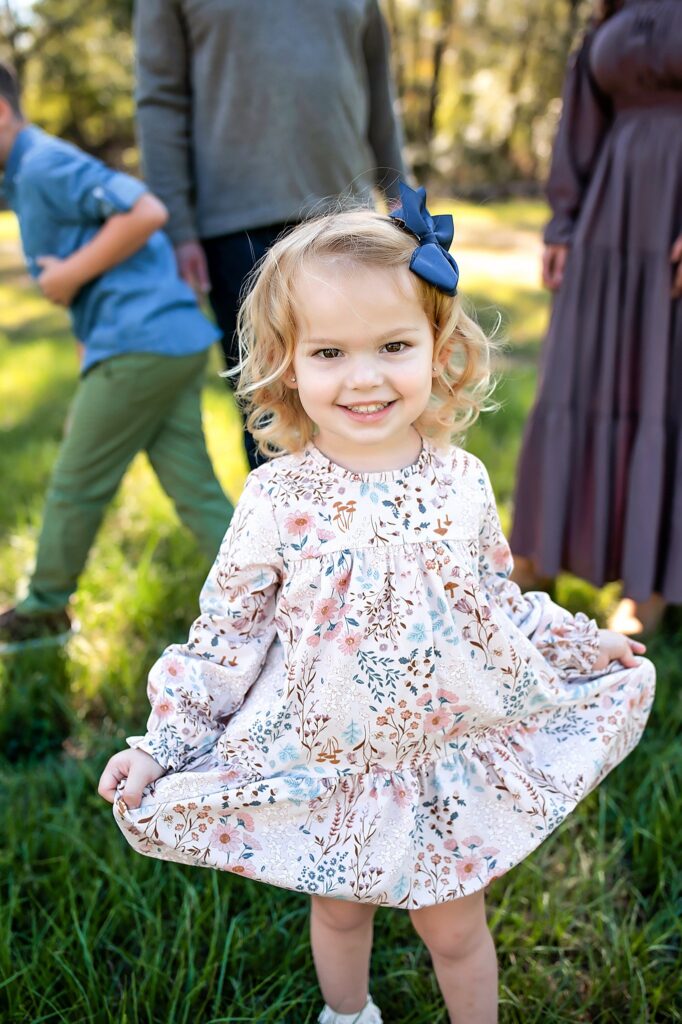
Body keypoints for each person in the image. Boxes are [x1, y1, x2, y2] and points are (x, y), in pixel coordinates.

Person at [98, 184, 655, 1024]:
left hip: (435, 751)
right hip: (323, 755)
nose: (364, 378)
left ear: (439, 347)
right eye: (328, 354)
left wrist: (579, 646)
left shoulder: (458, 480)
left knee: (456, 925)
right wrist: (164, 746)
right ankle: (347, 1013)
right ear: (288, 363)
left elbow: (494, 602)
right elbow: (227, 637)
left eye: (393, 345)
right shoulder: (277, 498)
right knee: (339, 907)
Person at [0, 63, 233, 652]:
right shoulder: (23, 174)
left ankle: (46, 609)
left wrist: (70, 275)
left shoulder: (46, 164)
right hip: (165, 339)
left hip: (143, 344)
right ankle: (277, 598)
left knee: (77, 481)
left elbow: (147, 212)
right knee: (196, 489)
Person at [133, 0, 407, 470]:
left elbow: (377, 82)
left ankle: (378, 538)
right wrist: (177, 228)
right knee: (274, 419)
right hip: (234, 228)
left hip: (348, 219)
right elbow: (160, 98)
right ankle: (283, 541)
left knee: (366, 399)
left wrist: (400, 197)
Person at [510, 0, 682, 635]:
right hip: (606, 214)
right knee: (574, 381)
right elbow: (582, 114)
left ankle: (653, 583)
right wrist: (563, 219)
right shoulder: (612, 6)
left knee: (665, 386)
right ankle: (537, 554)